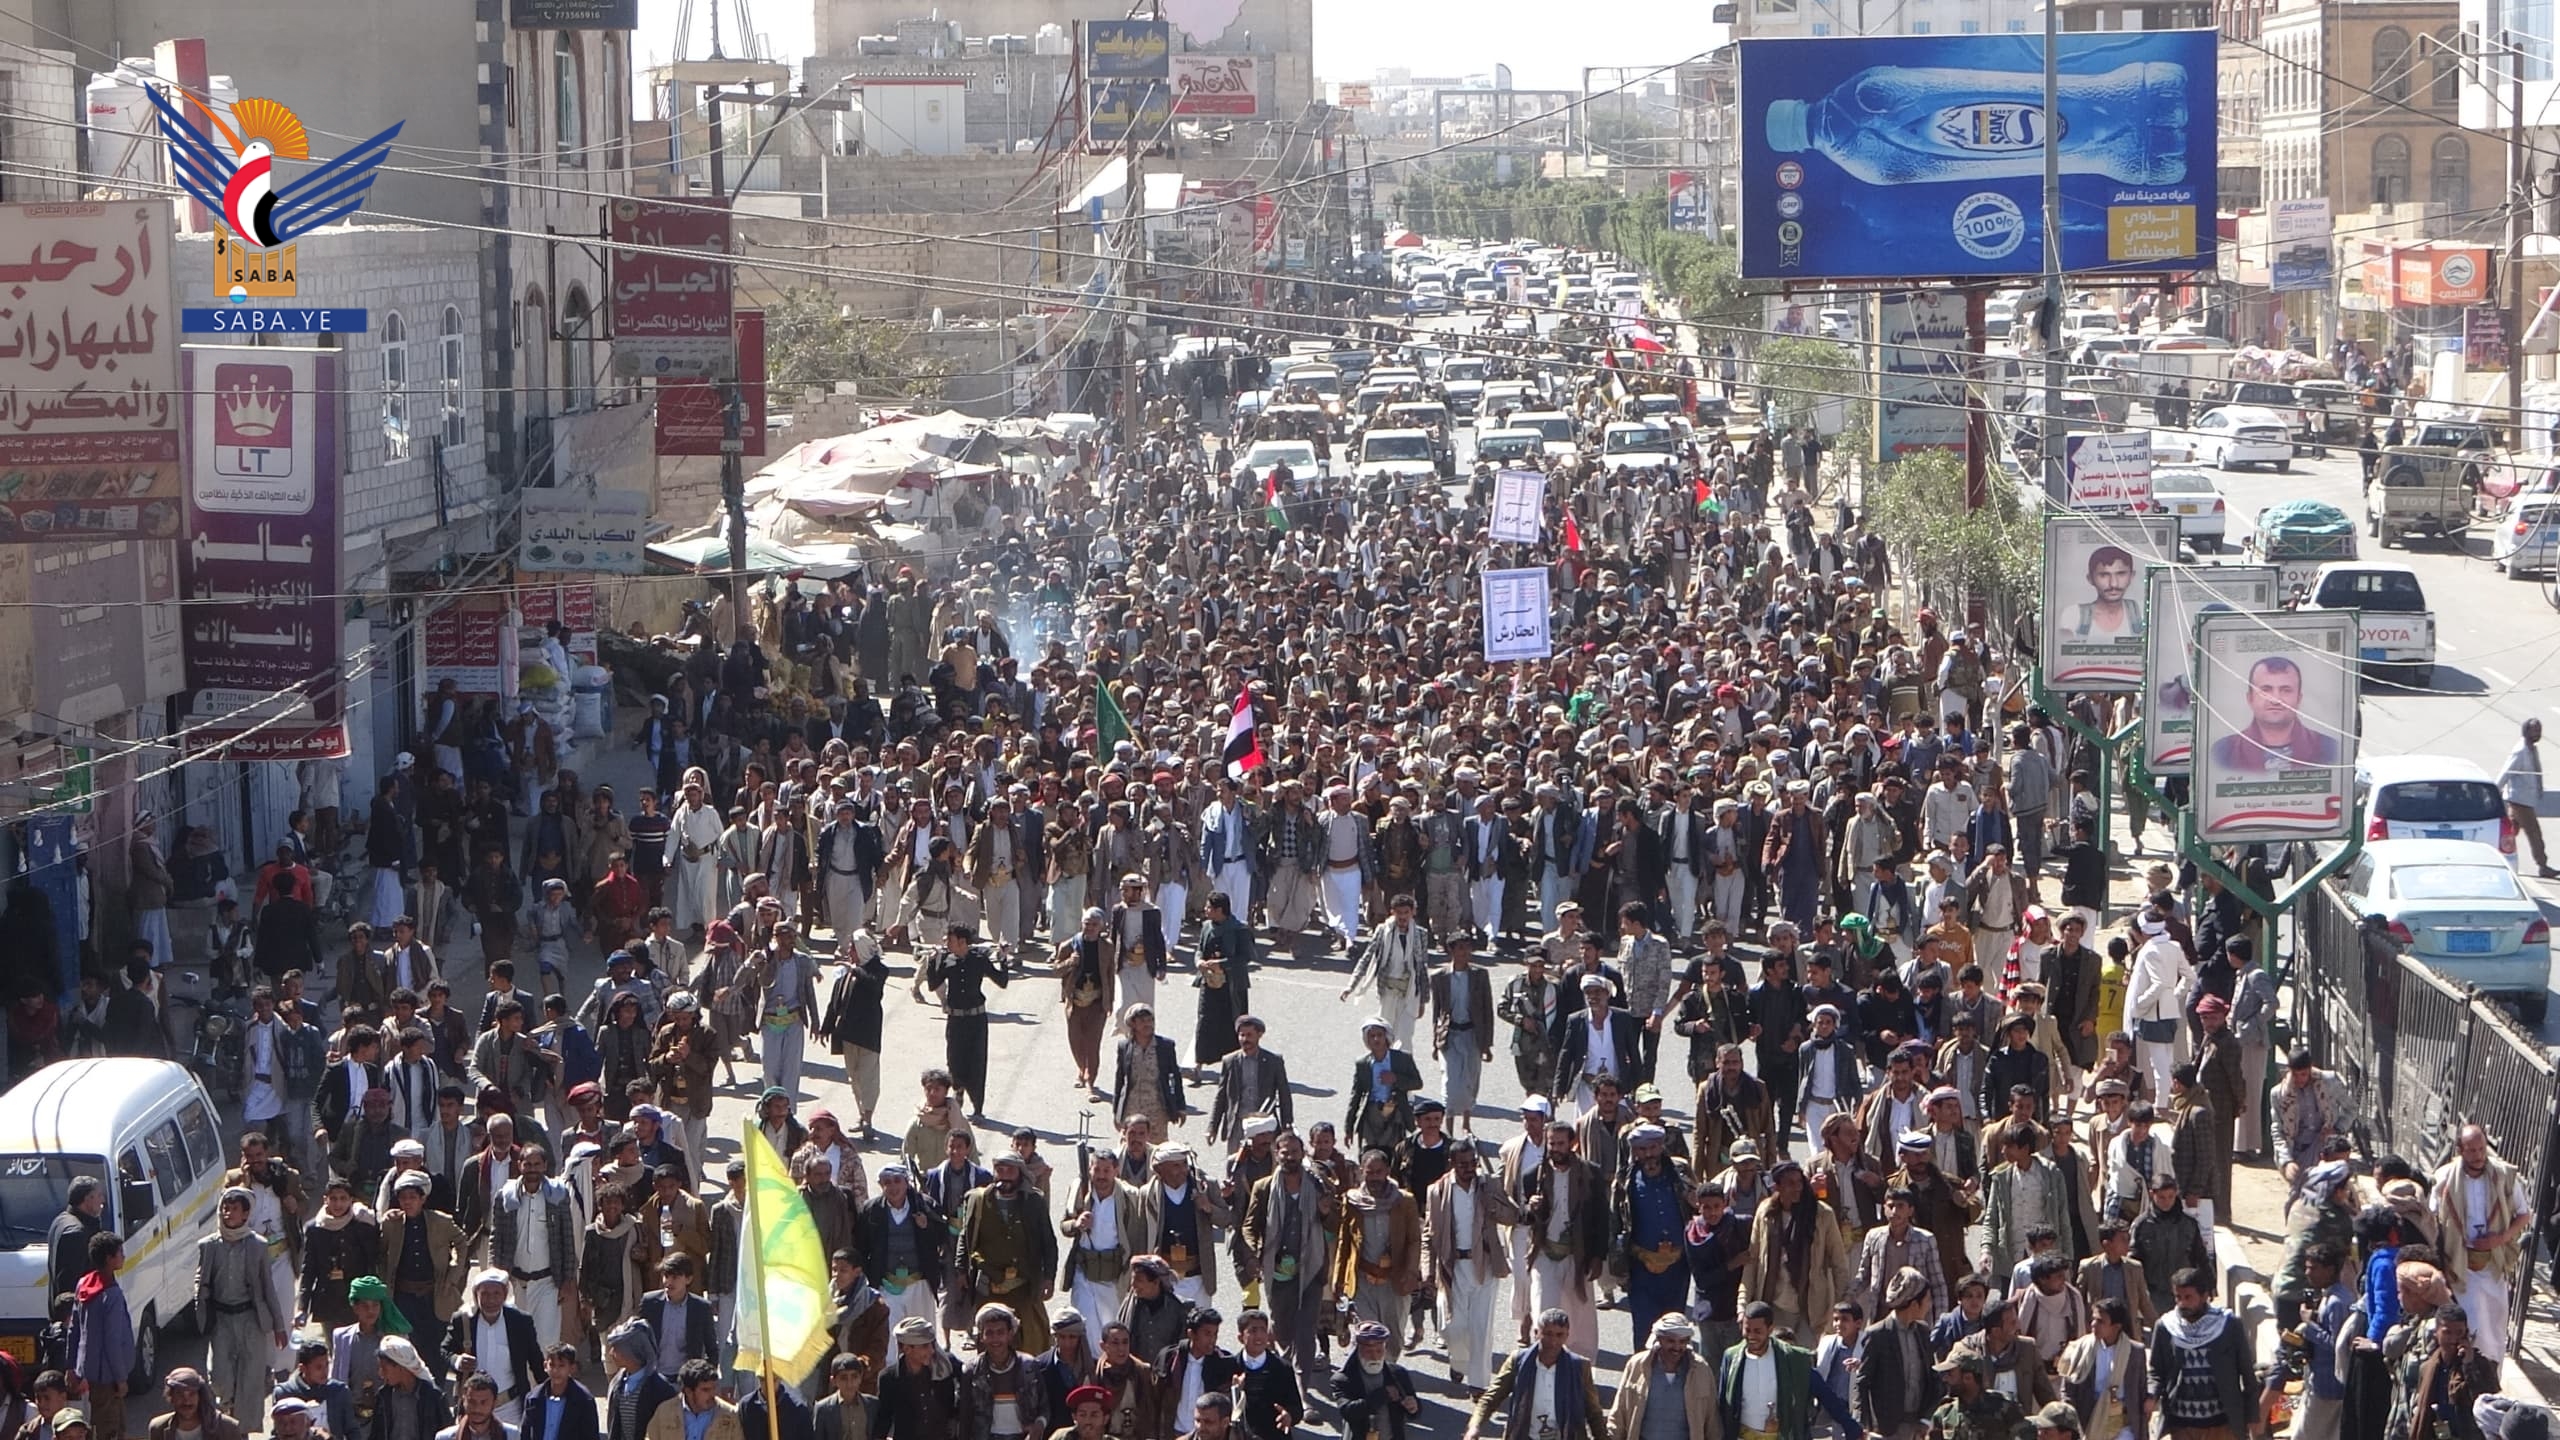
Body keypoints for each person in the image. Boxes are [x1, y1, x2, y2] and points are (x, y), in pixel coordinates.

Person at [2431, 1123, 2535, 1364]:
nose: (2478, 1156)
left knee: (2496, 1324)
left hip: (2494, 1262)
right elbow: (2433, 1216)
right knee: (2472, 1322)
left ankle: (2491, 1378)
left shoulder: (2503, 1176)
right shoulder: (2445, 1179)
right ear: (2460, 1150)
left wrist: (2500, 1238)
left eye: (2481, 1149)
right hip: (2460, 1262)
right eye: (2472, 1150)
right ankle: (2470, 1376)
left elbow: (2524, 1214)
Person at [1718, 1301, 1861, 1440]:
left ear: (1770, 1329)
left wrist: (1852, 1428)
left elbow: (1825, 1395)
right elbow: (1723, 1404)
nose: (1751, 1336)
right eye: (1747, 1330)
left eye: (1757, 1331)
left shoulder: (1794, 1360)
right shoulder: (1732, 1358)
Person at [1464, 1307, 1606, 1440]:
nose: (1553, 1341)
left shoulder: (1580, 1366)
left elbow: (1593, 1411)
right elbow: (1491, 1399)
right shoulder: (1518, 1361)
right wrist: (1474, 1426)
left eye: (1559, 1335)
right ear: (1536, 1333)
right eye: (1548, 1334)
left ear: (1567, 1335)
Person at [2147, 1268, 2256, 1440]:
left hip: (2222, 1423)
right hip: (2182, 1424)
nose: (2182, 1303)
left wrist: (2252, 1416)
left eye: (2188, 1297)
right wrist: (2151, 1395)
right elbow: (2156, 1371)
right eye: (2178, 1297)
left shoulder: (2227, 1325)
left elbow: (2247, 1372)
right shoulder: (2166, 1327)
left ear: (2204, 1296)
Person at [2208, 655, 2339, 773]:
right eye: (2266, 690)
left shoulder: (2329, 749)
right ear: (2250, 698)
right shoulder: (2224, 752)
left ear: (2299, 699)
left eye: (2286, 690)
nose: (2275, 699)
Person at [1606, 1312, 1719, 1440]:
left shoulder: (1701, 1370)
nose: (1677, 1347)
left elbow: (1712, 1419)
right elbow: (1619, 1411)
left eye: (1682, 1341)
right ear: (1659, 1339)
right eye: (1671, 1341)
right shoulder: (1637, 1365)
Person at [2500, 718, 2558, 878]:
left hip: (2524, 798)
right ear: (2526, 730)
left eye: (2539, 730)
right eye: (2534, 730)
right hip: (2520, 800)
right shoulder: (2521, 751)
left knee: (2511, 831)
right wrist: (2494, 792)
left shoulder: (2531, 748)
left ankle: (2498, 856)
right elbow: (2506, 773)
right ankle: (2543, 865)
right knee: (2534, 832)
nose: (2537, 733)